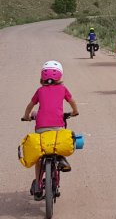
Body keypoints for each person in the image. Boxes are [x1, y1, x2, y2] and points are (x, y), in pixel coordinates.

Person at [22, 60, 78, 199]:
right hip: (58, 127)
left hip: (41, 128)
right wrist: (75, 112)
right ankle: (61, 158)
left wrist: (26, 116)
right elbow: (72, 102)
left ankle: (38, 184)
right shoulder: (63, 89)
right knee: (57, 143)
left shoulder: (40, 90)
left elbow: (30, 105)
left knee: (40, 155)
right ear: (60, 76)